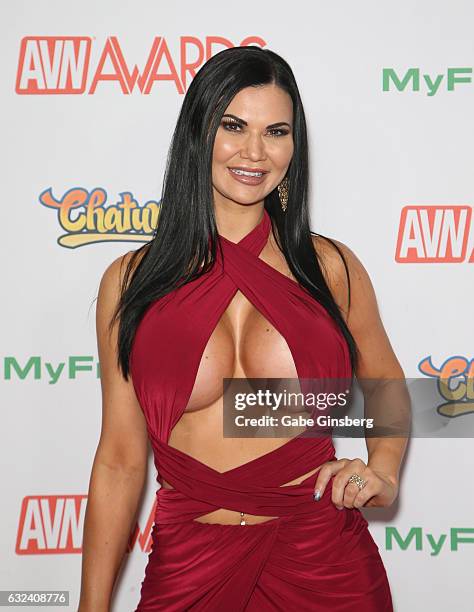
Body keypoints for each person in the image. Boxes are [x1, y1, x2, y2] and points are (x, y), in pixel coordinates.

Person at [78, 46, 408, 611]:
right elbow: (120, 458)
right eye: (233, 126)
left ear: (294, 146)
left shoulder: (329, 268)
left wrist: (383, 471)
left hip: (323, 562)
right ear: (198, 132)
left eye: (276, 131)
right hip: (189, 565)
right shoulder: (131, 281)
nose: (255, 151)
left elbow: (385, 382)